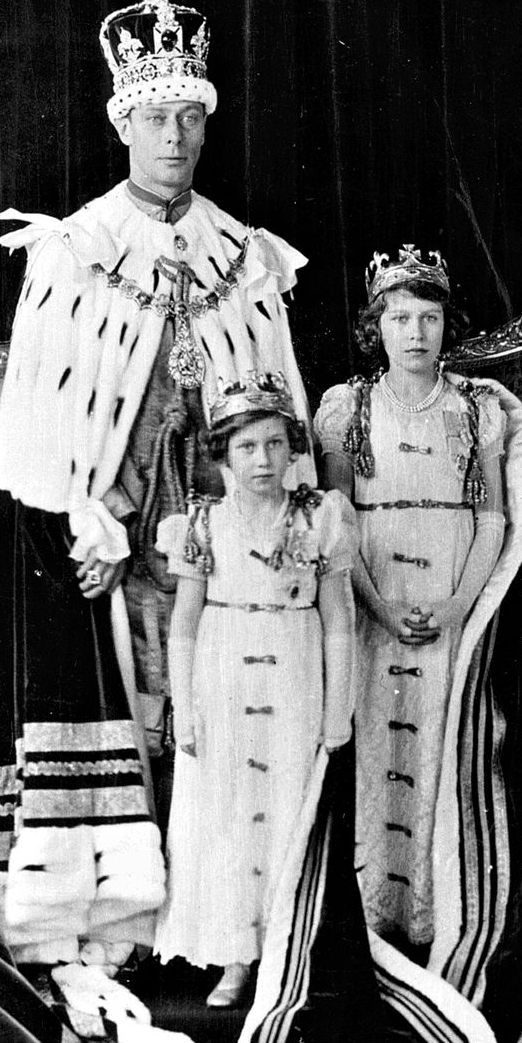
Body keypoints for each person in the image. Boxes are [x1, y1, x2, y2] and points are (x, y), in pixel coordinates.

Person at [0, 0, 312, 975]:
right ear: (122, 122)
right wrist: (84, 519)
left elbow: (280, 412)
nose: (173, 137)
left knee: (214, 712)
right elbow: (34, 426)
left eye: (189, 119)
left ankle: (222, 922)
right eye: (154, 119)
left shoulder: (244, 254)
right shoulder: (71, 253)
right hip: (106, 534)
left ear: (204, 125)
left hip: (220, 527)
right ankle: (115, 919)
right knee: (131, 708)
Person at [317, 248, 522, 962]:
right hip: (374, 601)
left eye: (429, 318)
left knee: (447, 750)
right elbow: (338, 518)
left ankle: (441, 915)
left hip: (451, 602)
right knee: (379, 746)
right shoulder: (348, 408)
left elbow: (494, 518)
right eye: (399, 318)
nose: (415, 333)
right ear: (375, 327)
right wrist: (377, 606)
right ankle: (375, 915)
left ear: (448, 325)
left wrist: (456, 606)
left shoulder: (477, 411)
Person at [153, 374, 356, 1007]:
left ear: (294, 448)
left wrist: (337, 712)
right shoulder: (202, 524)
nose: (263, 460)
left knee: (288, 808)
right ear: (223, 456)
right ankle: (235, 956)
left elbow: (340, 621)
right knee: (228, 814)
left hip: (295, 675)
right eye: (247, 448)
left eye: (274, 444)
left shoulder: (320, 518)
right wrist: (184, 709)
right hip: (223, 674)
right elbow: (183, 626)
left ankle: (285, 950)